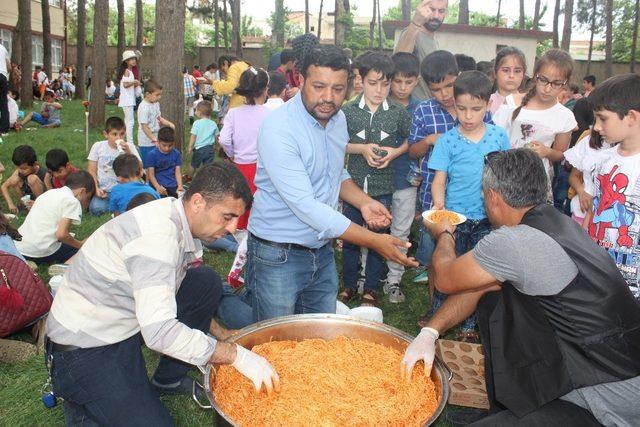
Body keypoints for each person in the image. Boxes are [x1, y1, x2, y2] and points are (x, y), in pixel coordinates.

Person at [402, 148, 640, 426]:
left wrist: (443, 233)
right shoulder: (556, 221)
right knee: (494, 302)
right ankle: (504, 407)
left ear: (493, 197)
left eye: (483, 192)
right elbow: (478, 287)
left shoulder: (513, 243)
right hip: (615, 365)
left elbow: (444, 277)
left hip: (604, 397)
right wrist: (430, 332)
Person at [44, 163, 280, 426]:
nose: (233, 228)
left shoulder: (175, 215)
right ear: (198, 202)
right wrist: (235, 355)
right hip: (84, 347)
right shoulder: (157, 240)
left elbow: (173, 290)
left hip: (122, 321)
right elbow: (160, 332)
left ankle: (168, 378)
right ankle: (81, 400)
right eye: (227, 217)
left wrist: (220, 334)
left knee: (204, 282)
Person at [246, 44, 417, 321]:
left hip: (321, 251)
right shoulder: (279, 128)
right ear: (300, 80)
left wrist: (365, 202)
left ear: (349, 86)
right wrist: (374, 241)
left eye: (338, 89)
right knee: (276, 341)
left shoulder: (337, 120)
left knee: (319, 342)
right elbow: (305, 205)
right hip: (277, 254)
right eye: (319, 86)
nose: (328, 98)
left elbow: (335, 174)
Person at [427, 70, 510, 342]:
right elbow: (439, 179)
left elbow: (504, 177)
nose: (468, 116)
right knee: (448, 268)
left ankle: (468, 327)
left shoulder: (499, 137)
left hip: (489, 219)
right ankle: (437, 319)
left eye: (476, 109)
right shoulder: (447, 140)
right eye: (461, 109)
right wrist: (439, 206)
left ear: (488, 105)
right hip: (456, 219)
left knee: (477, 276)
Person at [407, 50, 493, 303]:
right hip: (434, 195)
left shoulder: (478, 109)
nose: (444, 95)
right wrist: (429, 141)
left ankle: (463, 306)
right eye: (436, 89)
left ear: (459, 77)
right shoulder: (424, 112)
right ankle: (436, 301)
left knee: (469, 257)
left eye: (449, 86)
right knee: (436, 253)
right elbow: (412, 151)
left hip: (475, 199)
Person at [339, 52, 412, 307]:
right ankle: (348, 284)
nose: (379, 90)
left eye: (385, 84)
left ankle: (370, 289)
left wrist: (395, 152)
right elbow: (337, 144)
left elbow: (408, 141)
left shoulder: (398, 113)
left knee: (378, 239)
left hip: (383, 188)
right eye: (373, 83)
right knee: (350, 239)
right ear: (361, 79)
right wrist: (362, 148)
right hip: (353, 187)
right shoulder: (347, 111)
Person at [493, 49, 577, 201]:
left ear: (565, 84)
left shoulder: (565, 116)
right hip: (503, 178)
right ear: (535, 74)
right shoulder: (512, 102)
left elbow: (560, 154)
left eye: (556, 84)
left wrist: (546, 152)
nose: (547, 88)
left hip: (535, 185)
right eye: (543, 80)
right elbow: (493, 138)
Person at [586, 74, 640, 301]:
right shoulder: (603, 160)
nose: (596, 127)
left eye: (603, 119)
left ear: (631, 117)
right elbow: (593, 210)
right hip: (600, 276)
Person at [383, 52, 422, 303]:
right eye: (396, 81)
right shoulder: (379, 103)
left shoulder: (420, 109)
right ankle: (367, 276)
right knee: (373, 228)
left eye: (407, 82)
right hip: (376, 179)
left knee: (401, 230)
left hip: (406, 180)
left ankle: (394, 279)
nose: (402, 87)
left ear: (416, 81)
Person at [219, 67, 270, 230]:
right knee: (260, 202)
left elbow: (224, 139)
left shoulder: (233, 113)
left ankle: (238, 229)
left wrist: (231, 154)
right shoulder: (270, 114)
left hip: (240, 166)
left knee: (239, 200)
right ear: (265, 89)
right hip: (262, 167)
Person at [14, 171, 94, 265]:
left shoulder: (49, 193)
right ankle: (65, 267)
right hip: (40, 250)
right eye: (88, 197)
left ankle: (28, 262)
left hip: (19, 247)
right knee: (86, 251)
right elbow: (61, 235)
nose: (87, 201)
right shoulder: (72, 201)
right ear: (82, 191)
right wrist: (80, 245)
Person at [394, 0, 449, 100]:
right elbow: (398, 62)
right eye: (432, 9)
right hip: (412, 109)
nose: (436, 16)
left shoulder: (435, 40)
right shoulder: (413, 32)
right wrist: (415, 23)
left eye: (441, 11)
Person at [87, 116, 141, 215]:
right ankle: (114, 207)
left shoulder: (130, 147)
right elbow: (91, 170)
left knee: (131, 208)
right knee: (96, 209)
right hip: (105, 191)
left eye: (121, 134)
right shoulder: (98, 146)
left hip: (123, 190)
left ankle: (117, 207)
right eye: (114, 134)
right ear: (106, 134)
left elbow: (140, 169)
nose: (118, 138)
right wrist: (96, 188)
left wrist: (128, 152)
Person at [565, 128, 610, 225]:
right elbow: (573, 176)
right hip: (581, 212)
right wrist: (581, 192)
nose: (598, 125)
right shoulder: (589, 142)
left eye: (603, 119)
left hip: (607, 219)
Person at [137, 80, 175, 168]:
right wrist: (154, 139)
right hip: (146, 142)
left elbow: (159, 118)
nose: (159, 97)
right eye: (157, 95)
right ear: (147, 94)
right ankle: (147, 181)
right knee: (148, 164)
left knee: (156, 162)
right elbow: (144, 127)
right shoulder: (143, 108)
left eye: (160, 94)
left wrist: (169, 124)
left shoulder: (156, 104)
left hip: (156, 139)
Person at [1, 145, 47, 214]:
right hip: (28, 200)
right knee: (14, 180)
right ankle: (26, 206)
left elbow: (51, 191)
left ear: (34, 164)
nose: (20, 170)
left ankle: (39, 207)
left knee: (32, 179)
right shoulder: (19, 171)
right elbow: (4, 186)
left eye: (24, 169)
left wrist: (39, 203)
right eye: (17, 167)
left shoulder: (44, 173)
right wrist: (10, 204)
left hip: (42, 200)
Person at [146, 126, 183, 198]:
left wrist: (180, 186)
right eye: (164, 145)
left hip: (173, 184)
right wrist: (157, 187)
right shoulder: (152, 154)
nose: (167, 148)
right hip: (158, 185)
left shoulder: (176, 153)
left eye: (170, 145)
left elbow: (177, 172)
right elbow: (151, 174)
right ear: (158, 142)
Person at [488, 46, 526, 114]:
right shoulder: (485, 103)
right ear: (495, 73)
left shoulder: (530, 104)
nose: (511, 76)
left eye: (517, 71)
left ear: (523, 74)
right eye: (505, 70)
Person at [187, 101, 218, 178]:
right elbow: (217, 137)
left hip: (199, 149)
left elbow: (193, 136)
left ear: (200, 112)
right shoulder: (213, 123)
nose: (195, 112)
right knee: (208, 167)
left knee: (193, 165)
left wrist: (190, 147)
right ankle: (207, 180)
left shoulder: (196, 123)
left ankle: (189, 177)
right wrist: (217, 146)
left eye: (196, 110)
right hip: (210, 149)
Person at [117, 50, 142, 144]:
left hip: (129, 99)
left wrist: (136, 84)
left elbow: (128, 86)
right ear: (126, 61)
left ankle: (123, 141)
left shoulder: (129, 71)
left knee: (128, 121)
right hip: (127, 100)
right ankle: (130, 143)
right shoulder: (127, 71)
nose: (134, 60)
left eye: (134, 58)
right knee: (130, 122)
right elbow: (125, 85)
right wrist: (134, 82)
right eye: (131, 59)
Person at [0, 42, 10, 135]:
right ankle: (4, 130)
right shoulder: (3, 48)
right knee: (3, 103)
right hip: (3, 76)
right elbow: (9, 67)